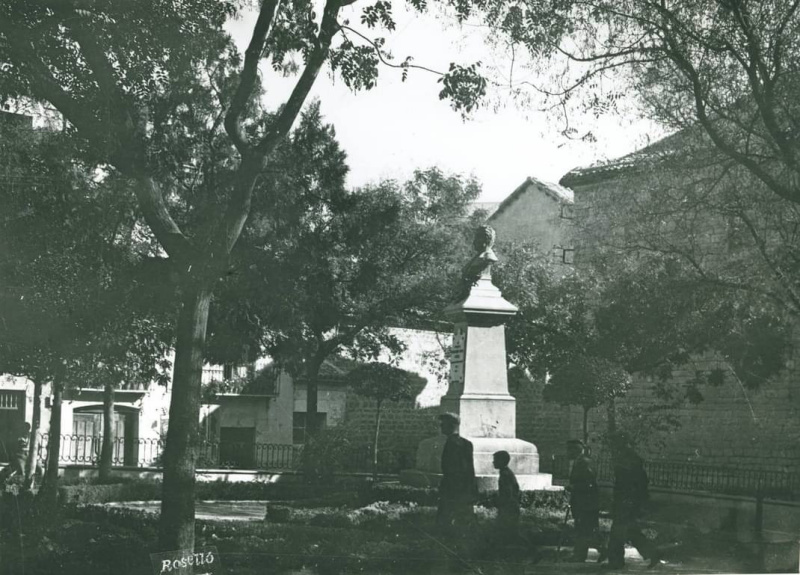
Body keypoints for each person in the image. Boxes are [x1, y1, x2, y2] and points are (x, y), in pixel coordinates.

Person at [606, 434, 660, 569]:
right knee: (631, 532)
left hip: (626, 503)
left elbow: (630, 485)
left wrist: (628, 502)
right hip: (628, 502)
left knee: (617, 533)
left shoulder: (627, 459)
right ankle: (653, 553)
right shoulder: (629, 458)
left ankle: (615, 562)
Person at [437, 412, 477, 532]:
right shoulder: (467, 443)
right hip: (465, 487)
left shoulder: (451, 444)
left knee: (446, 518)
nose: (441, 427)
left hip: (452, 486)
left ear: (451, 426)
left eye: (443, 425)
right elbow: (470, 469)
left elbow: (451, 469)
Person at [566, 439, 602, 562]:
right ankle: (604, 550)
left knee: (583, 529)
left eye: (569, 449)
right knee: (587, 529)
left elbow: (590, 483)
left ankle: (579, 556)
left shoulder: (583, 463)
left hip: (586, 503)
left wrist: (574, 487)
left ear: (574, 450)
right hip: (583, 502)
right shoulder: (579, 462)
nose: (567, 452)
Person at [493, 450, 521, 538]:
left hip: (508, 508)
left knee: (508, 533)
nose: (493, 462)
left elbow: (508, 492)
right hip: (510, 507)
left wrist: (499, 502)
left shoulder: (505, 474)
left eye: (496, 460)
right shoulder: (506, 472)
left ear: (501, 461)